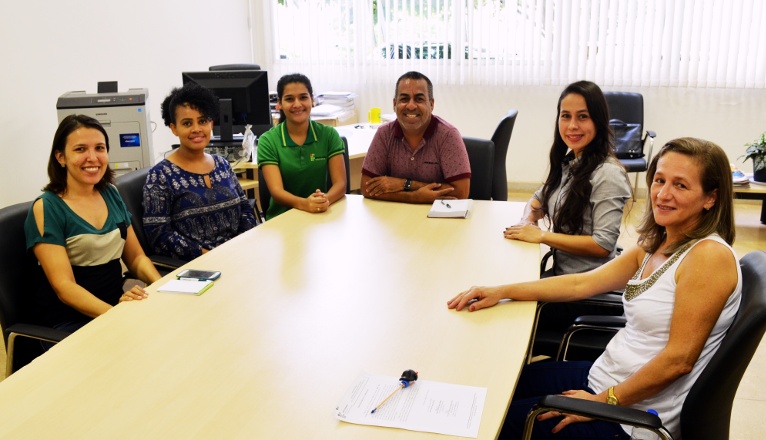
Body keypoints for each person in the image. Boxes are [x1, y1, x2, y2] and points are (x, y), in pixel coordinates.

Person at [448, 137, 740, 440]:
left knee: (490, 422)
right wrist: (501, 290)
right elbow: (581, 283)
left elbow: (678, 361)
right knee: (493, 386)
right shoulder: (661, 243)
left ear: (710, 198)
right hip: (604, 377)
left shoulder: (708, 257)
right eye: (660, 180)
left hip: (631, 418)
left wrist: (600, 403)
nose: (663, 194)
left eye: (680, 185)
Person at [25, 114, 162, 336]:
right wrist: (116, 316)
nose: (92, 157)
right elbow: (65, 287)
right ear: (61, 157)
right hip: (68, 323)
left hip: (112, 309)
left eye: (99, 148)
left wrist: (160, 287)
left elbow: (136, 258)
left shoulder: (111, 193)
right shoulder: (47, 207)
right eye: (80, 149)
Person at [505, 81, 631, 276]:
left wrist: (542, 236)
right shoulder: (571, 161)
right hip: (563, 276)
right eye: (566, 116)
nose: (572, 125)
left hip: (586, 286)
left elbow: (603, 244)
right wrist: (528, 220)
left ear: (598, 121)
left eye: (583, 116)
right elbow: (538, 199)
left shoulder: (608, 173)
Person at [143, 82, 257, 260]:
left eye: (202, 121)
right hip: (197, 266)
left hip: (238, 255)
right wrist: (208, 255)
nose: (196, 129)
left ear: (211, 124)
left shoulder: (223, 164)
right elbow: (159, 235)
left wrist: (237, 247)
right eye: (187, 123)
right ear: (174, 128)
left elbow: (245, 210)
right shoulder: (160, 175)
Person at [360, 71, 471, 203]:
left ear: (431, 104)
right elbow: (366, 187)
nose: (411, 106)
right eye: (404, 99)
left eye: (419, 99)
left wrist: (405, 184)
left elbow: (461, 193)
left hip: (439, 218)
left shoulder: (448, 135)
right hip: (395, 217)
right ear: (394, 104)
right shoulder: (384, 134)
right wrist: (413, 197)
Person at [257, 73, 347, 220]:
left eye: (303, 97)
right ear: (279, 103)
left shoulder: (329, 135)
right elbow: (276, 191)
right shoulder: (268, 141)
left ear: (312, 100)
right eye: (289, 99)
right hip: (282, 219)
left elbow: (341, 183)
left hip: (322, 215)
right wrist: (305, 204)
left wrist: (323, 201)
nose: (297, 104)